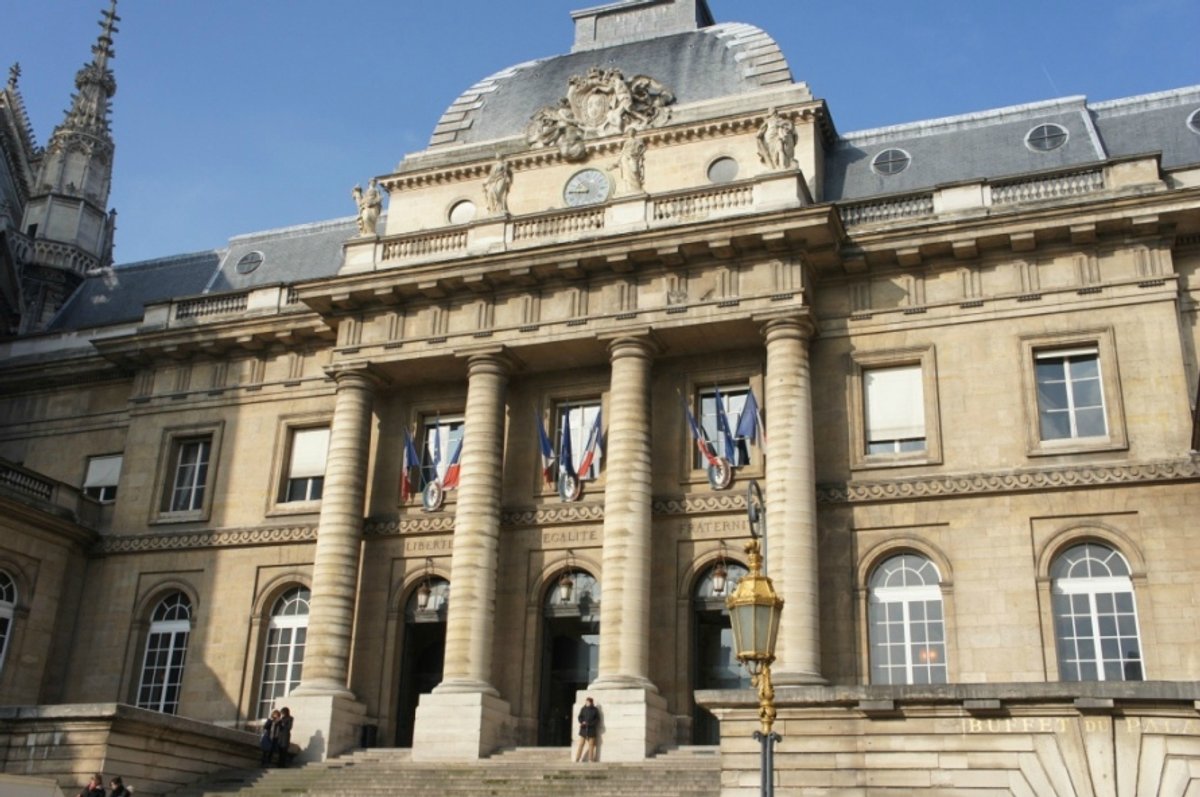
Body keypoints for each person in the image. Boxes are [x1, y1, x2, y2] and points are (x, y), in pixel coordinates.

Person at [575, 696, 600, 762]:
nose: (586, 703)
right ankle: (577, 758)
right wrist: (582, 722)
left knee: (591, 745)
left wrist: (590, 724)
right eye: (586, 702)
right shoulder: (583, 709)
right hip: (583, 729)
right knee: (581, 744)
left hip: (591, 730)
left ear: (591, 702)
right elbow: (580, 717)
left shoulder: (595, 710)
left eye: (588, 702)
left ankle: (590, 759)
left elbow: (597, 720)